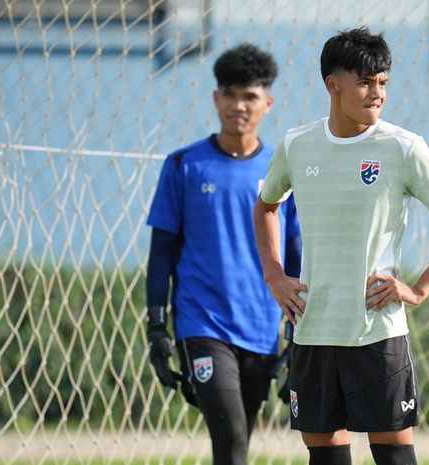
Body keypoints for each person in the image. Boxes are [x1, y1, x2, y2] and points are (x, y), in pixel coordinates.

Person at [254, 27, 429, 465]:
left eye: (383, 83)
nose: (376, 93)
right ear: (332, 84)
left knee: (394, 455)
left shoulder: (403, 147)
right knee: (326, 455)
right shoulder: (297, 145)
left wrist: (419, 288)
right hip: (314, 328)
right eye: (364, 81)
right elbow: (266, 206)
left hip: (377, 328)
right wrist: (275, 276)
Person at [145, 43, 301, 465]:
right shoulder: (183, 166)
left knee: (235, 446)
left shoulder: (283, 171)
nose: (238, 105)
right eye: (229, 94)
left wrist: (298, 335)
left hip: (261, 328)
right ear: (216, 98)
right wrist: (157, 327)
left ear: (267, 102)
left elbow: (297, 256)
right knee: (231, 436)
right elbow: (161, 253)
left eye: (249, 96)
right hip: (203, 325)